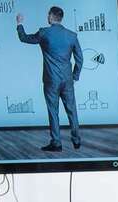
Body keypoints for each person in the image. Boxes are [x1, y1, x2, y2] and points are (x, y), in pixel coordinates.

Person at [16, 6, 83, 152]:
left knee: (53, 111)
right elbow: (80, 59)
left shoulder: (44, 33)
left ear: (51, 17)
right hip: (67, 80)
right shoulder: (72, 35)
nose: (47, 17)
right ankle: (76, 141)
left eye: (48, 15)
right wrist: (75, 76)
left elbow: (24, 38)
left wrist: (19, 24)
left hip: (51, 80)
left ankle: (56, 143)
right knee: (72, 110)